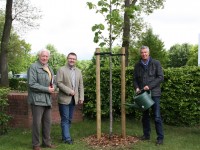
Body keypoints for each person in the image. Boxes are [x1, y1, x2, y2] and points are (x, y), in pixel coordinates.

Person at [133, 46, 164, 145]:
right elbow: (135, 80)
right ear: (140, 54)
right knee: (145, 116)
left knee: (157, 116)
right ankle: (146, 135)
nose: (144, 54)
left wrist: (149, 86)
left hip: (154, 94)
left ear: (148, 53)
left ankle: (160, 138)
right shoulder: (137, 65)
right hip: (143, 95)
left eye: (145, 52)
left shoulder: (156, 63)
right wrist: (137, 88)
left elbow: (160, 77)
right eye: (142, 52)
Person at [27, 49, 56, 150]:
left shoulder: (49, 68)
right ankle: (36, 144)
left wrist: (53, 87)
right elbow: (32, 84)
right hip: (37, 100)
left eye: (46, 56)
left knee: (47, 122)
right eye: (43, 56)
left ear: (49, 57)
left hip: (47, 99)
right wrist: (47, 89)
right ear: (39, 56)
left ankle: (46, 142)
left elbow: (53, 81)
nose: (45, 58)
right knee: (37, 123)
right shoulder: (33, 67)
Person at [56, 52, 84, 144]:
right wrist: (69, 91)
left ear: (76, 60)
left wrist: (81, 97)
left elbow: (80, 85)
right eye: (70, 58)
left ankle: (64, 137)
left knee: (69, 119)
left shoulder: (79, 71)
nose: (72, 60)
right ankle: (67, 138)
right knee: (65, 119)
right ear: (67, 59)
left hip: (74, 99)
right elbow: (59, 83)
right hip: (64, 99)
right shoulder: (61, 69)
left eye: (74, 59)